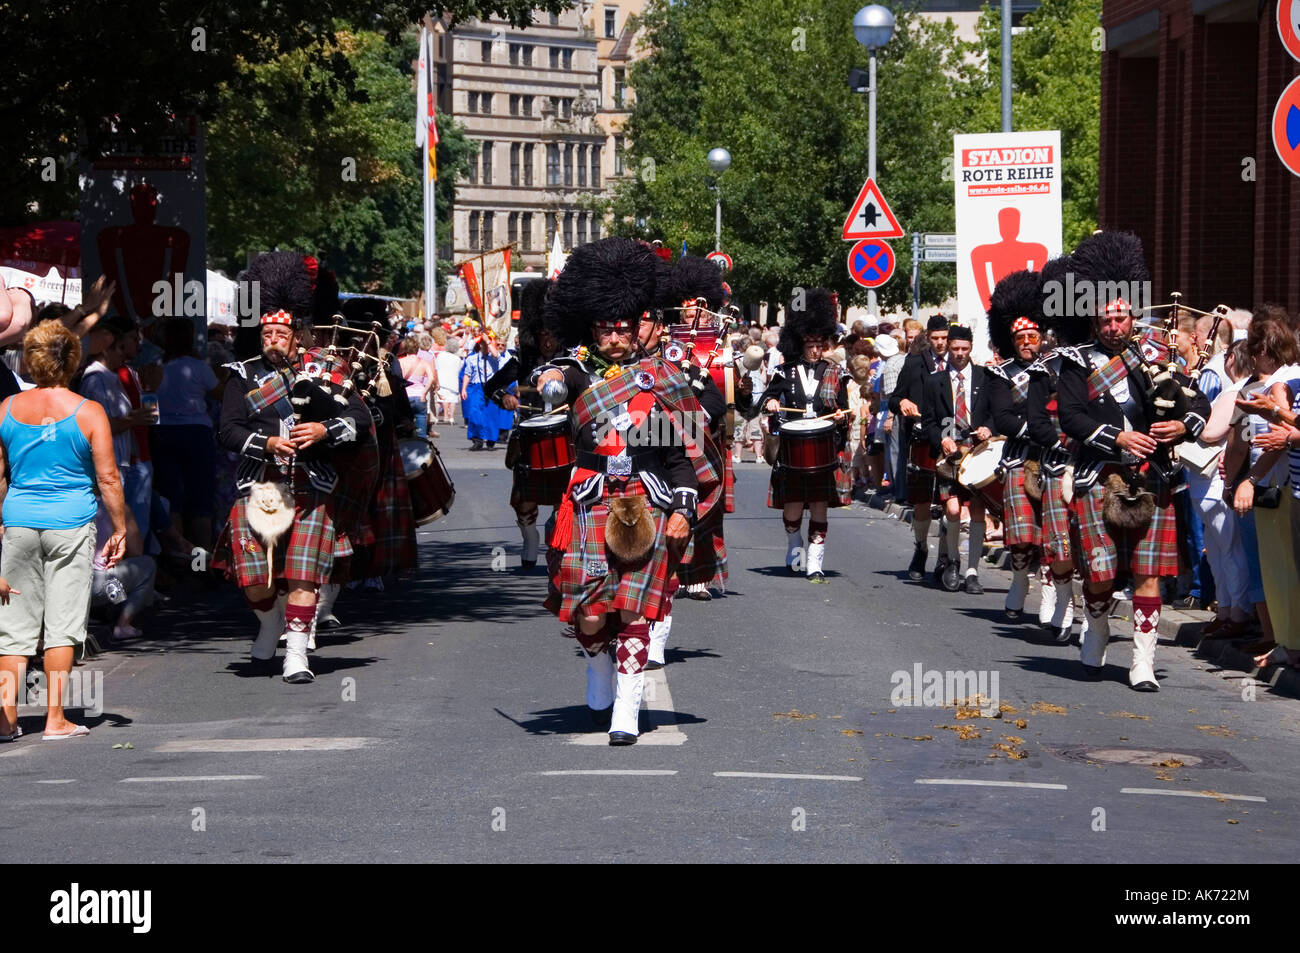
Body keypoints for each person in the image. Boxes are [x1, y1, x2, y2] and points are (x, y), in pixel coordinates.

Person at [534, 238, 720, 744]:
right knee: (592, 616)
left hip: (645, 500)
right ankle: (598, 668)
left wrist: (684, 507)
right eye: (605, 329)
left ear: (635, 325)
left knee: (634, 608)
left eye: (622, 328)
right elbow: (547, 383)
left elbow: (684, 456)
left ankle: (627, 712)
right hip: (590, 502)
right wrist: (549, 377)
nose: (615, 338)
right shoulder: (575, 374)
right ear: (590, 327)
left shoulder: (662, 379)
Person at [1056, 232, 1210, 691]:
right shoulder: (1075, 363)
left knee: (1149, 574)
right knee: (1099, 574)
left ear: (1131, 316)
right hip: (1100, 474)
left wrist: (1183, 427)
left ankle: (1142, 662)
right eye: (1105, 320)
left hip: (1153, 477)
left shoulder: (1157, 356)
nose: (1113, 327)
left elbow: (1197, 402)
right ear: (1093, 321)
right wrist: (1119, 436)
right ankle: (1099, 627)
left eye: (1120, 318)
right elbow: (1071, 416)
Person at [212, 252, 370, 683]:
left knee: (303, 572)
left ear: (296, 334)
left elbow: (360, 419)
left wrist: (322, 430)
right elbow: (226, 431)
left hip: (312, 484)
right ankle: (269, 623)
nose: (274, 339)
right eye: (267, 333)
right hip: (260, 485)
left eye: (282, 333)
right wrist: (267, 443)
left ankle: (297, 654)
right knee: (254, 578)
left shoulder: (326, 371)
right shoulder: (241, 375)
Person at [0, 321, 127, 740]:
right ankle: (55, 718)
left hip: (17, 522)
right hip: (71, 524)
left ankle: (6, 719)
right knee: (63, 624)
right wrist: (120, 527)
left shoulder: (5, 409)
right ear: (72, 361)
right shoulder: (88, 411)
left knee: (13, 630)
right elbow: (108, 478)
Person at [760, 289, 851, 583]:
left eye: (819, 344)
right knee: (794, 505)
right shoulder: (783, 372)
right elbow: (766, 402)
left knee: (820, 503)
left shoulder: (836, 372)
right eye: (809, 344)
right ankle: (794, 545)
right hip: (792, 447)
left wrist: (841, 416)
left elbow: (846, 409)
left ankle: (815, 562)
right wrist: (772, 403)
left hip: (825, 447)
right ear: (801, 344)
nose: (814, 350)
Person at [1229, 310, 1300, 667]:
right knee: (1279, 570)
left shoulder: (1281, 382)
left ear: (1266, 351)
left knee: (1281, 570)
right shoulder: (1286, 380)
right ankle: (1286, 641)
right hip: (1285, 486)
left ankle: (1289, 642)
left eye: (1255, 352)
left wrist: (1248, 479)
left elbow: (1276, 442)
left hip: (1281, 487)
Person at [1026, 255, 1085, 640]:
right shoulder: (1046, 366)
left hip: (1103, 464)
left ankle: (1092, 614)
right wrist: (1066, 442)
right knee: (1061, 542)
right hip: (1059, 463)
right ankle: (1063, 604)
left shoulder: (1117, 361)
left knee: (1096, 548)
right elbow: (1036, 420)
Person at [986, 271, 1048, 617]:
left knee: (1056, 536)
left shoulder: (1057, 368)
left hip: (1054, 458)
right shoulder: (1000, 374)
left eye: (1033, 336)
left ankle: (1054, 594)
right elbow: (1004, 418)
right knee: (1023, 533)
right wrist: (1040, 429)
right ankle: (1021, 579)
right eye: (1022, 337)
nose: (1028, 342)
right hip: (1018, 456)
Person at [497, 279, 565, 569]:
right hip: (528, 437)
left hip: (566, 434)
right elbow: (493, 387)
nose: (547, 340)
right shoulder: (523, 362)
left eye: (552, 334)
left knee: (565, 497)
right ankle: (529, 538)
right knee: (522, 501)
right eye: (542, 334)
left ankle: (559, 530)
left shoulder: (571, 361)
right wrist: (505, 397)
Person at [922, 324, 992, 593]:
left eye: (964, 349)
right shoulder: (934, 381)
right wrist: (941, 438)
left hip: (978, 451)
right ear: (947, 348)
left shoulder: (986, 377)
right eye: (955, 349)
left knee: (976, 510)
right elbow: (927, 420)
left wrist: (989, 428)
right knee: (952, 510)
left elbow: (997, 413)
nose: (960, 353)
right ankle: (952, 561)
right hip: (949, 452)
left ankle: (972, 572)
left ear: (971, 348)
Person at [78, 315, 154, 540]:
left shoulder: (112, 377)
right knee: (115, 532)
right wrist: (134, 420)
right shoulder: (95, 380)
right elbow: (97, 426)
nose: (124, 353)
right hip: (108, 465)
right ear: (105, 350)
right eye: (119, 347)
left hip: (121, 462)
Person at [890, 315, 950, 581]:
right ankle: (922, 547)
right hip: (922, 438)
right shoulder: (914, 363)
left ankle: (946, 557)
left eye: (944, 339)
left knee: (950, 501)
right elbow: (893, 398)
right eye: (936, 338)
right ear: (929, 337)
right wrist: (902, 401)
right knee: (923, 500)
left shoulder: (959, 364)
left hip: (949, 438)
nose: (940, 344)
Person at [153, 317, 222, 548]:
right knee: (202, 498)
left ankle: (180, 556)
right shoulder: (199, 367)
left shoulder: (156, 366)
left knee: (172, 499)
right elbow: (218, 393)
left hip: (163, 433)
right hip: (196, 433)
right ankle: (202, 560)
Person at [460, 333, 512, 450]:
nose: (485, 346)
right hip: (477, 387)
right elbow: (467, 375)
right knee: (474, 413)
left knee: (491, 414)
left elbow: (496, 355)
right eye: (482, 344)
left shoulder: (494, 357)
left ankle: (490, 440)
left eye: (486, 344)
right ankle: (477, 439)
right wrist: (464, 389)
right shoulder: (472, 358)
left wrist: (488, 341)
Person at [398, 336, 437, 439]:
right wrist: (424, 392)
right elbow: (431, 377)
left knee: (404, 424)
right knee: (421, 425)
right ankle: (422, 446)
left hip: (405, 396)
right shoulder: (424, 362)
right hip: (420, 396)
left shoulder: (401, 362)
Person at [434, 337, 462, 426]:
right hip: (453, 381)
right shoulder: (458, 359)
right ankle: (451, 417)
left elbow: (436, 366)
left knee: (440, 399)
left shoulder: (440, 355)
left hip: (441, 380)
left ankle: (436, 417)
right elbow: (459, 370)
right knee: (452, 400)